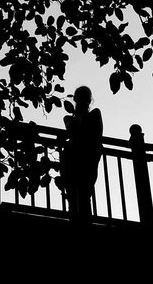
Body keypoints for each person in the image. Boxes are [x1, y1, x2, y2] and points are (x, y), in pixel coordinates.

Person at [60, 86, 103, 227]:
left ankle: (81, 225)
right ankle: (79, 224)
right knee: (76, 196)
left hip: (86, 159)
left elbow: (87, 135)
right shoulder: (69, 118)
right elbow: (74, 133)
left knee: (82, 195)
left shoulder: (94, 114)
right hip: (78, 160)